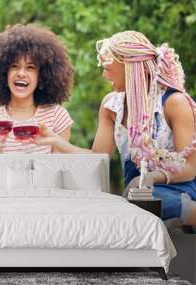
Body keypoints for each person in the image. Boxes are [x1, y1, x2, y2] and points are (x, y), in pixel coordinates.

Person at [33, 31, 196, 226]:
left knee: (147, 204)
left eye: (108, 68)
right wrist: (55, 140)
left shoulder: (173, 102)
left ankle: (187, 213)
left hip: (176, 188)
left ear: (130, 67)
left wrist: (152, 177)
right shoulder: (111, 105)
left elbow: (190, 167)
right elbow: (98, 157)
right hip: (136, 194)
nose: (104, 74)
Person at [0, 23, 74, 153]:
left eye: (30, 67)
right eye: (15, 66)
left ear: (41, 76)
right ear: (4, 73)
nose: (21, 73)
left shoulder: (57, 116)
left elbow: (57, 169)